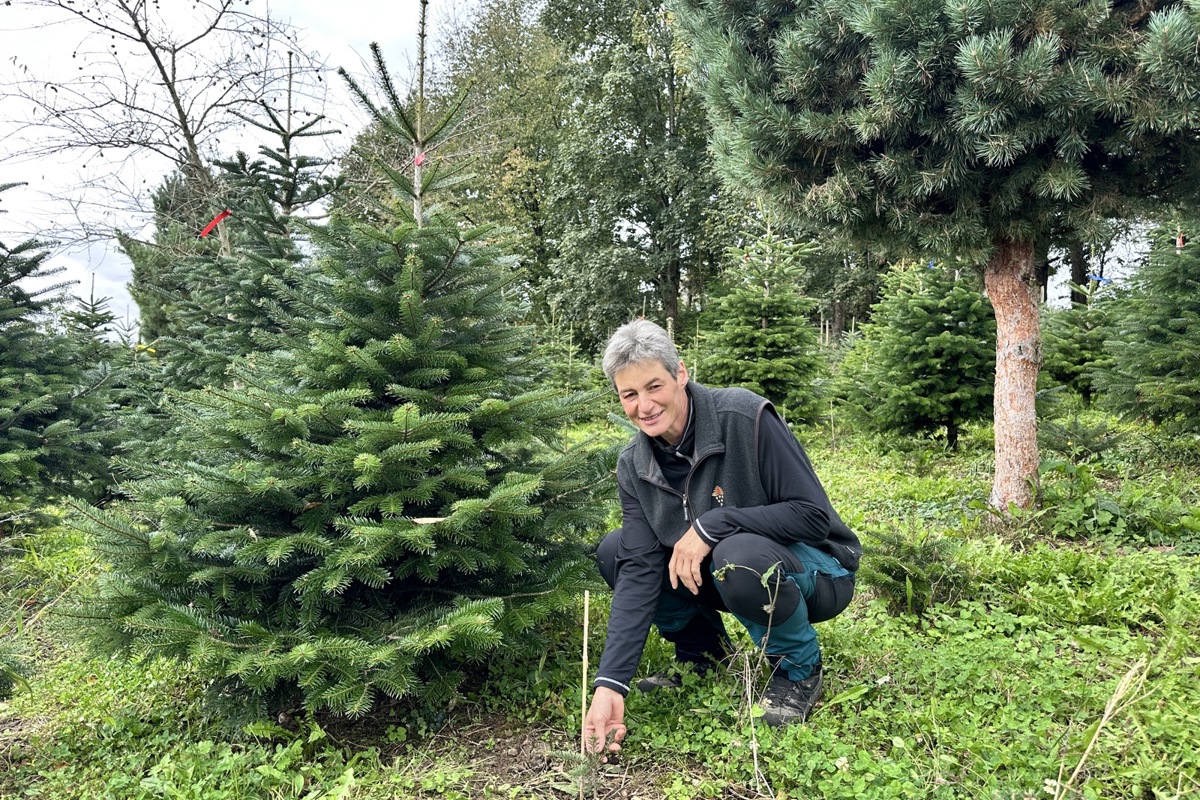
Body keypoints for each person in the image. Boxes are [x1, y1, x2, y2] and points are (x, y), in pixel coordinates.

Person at [582, 319, 861, 757]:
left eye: (654, 386)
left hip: (818, 570)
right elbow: (638, 569)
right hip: (724, 574)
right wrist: (610, 685)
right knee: (616, 551)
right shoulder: (634, 463)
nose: (644, 406)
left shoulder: (743, 416)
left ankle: (797, 671)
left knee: (737, 554)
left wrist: (715, 525)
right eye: (629, 394)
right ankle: (703, 657)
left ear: (680, 374)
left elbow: (812, 518)